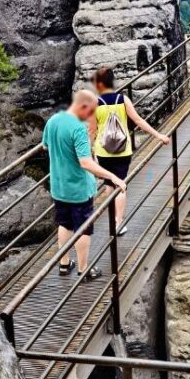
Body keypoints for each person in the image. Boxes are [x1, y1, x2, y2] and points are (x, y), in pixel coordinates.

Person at [42, 90, 127, 281]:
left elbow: (45, 146)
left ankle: (64, 264)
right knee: (83, 228)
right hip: (79, 188)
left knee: (64, 223)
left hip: (58, 185)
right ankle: (83, 270)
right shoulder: (78, 128)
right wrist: (113, 177)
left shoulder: (53, 120)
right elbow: (86, 163)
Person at [92, 66, 170, 236]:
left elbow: (92, 131)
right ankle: (118, 223)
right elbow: (138, 120)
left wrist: (90, 155)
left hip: (103, 151)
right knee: (120, 184)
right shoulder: (123, 99)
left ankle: (113, 219)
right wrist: (159, 136)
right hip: (122, 149)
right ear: (112, 81)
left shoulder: (95, 103)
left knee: (108, 184)